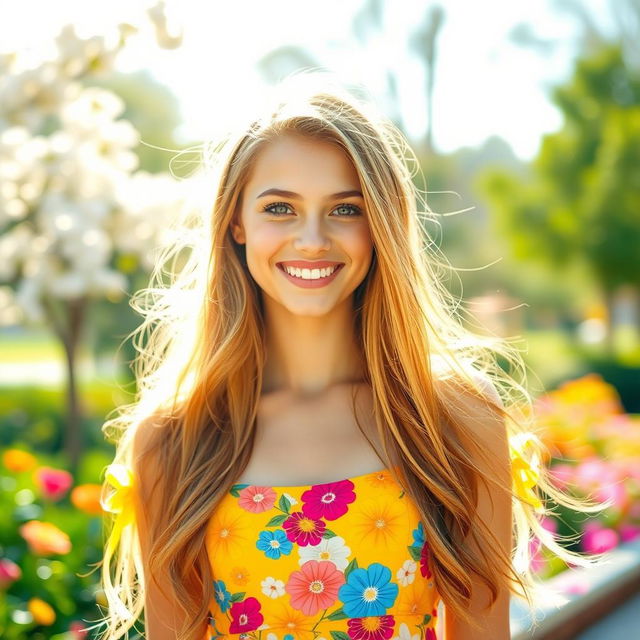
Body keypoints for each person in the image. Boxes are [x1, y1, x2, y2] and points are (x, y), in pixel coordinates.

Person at [92, 71, 604, 640]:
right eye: (280, 209)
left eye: (345, 209)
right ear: (236, 222)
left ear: (381, 225)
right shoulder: (174, 438)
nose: (312, 239)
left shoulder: (456, 418)